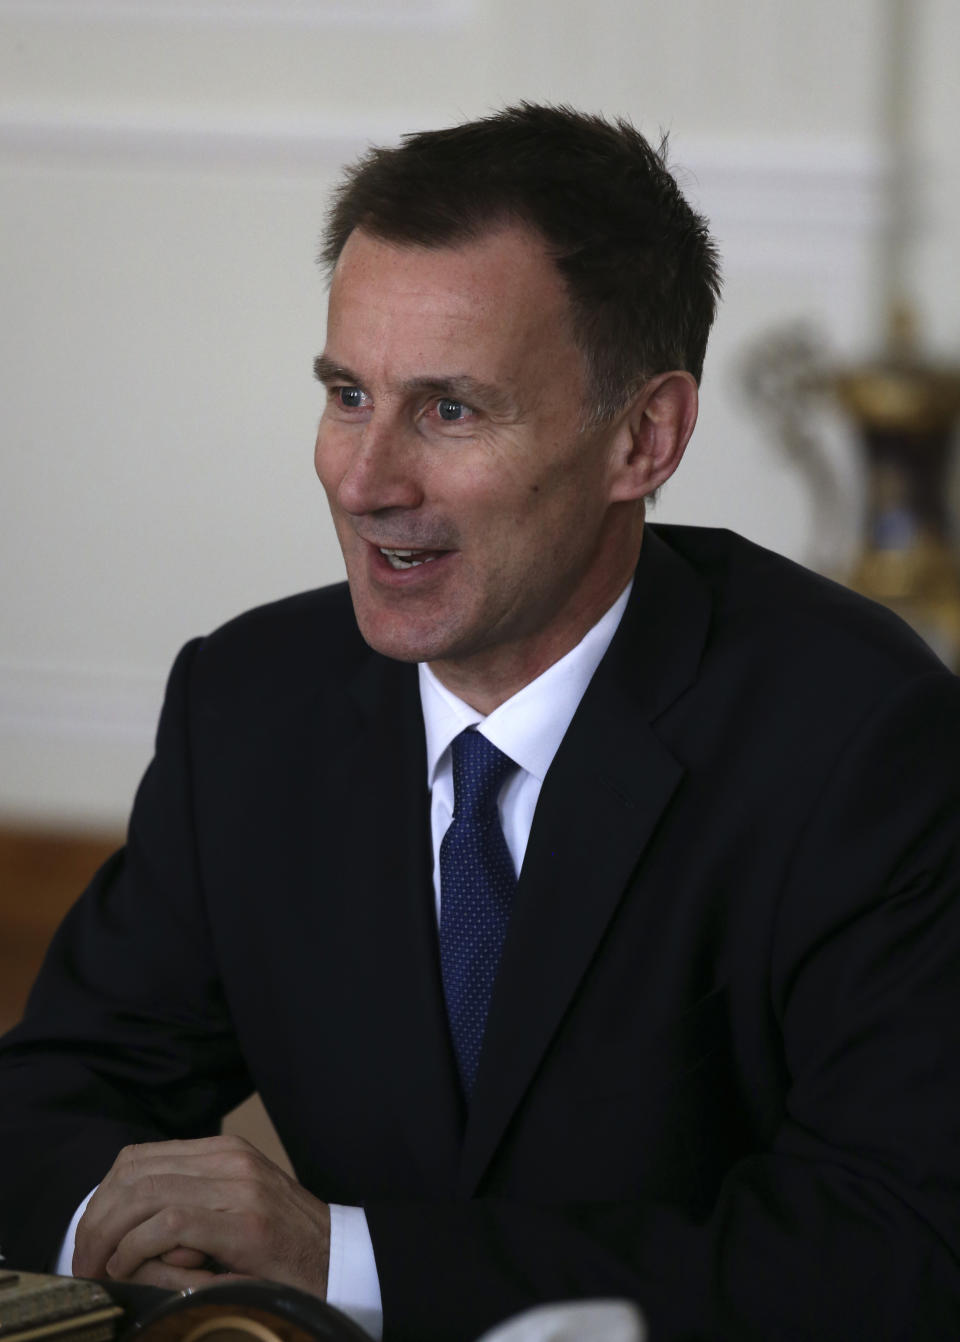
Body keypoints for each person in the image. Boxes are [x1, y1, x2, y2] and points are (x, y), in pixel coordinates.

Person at [2, 103, 960, 1342]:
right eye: (350, 393)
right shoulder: (249, 703)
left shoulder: (862, 739)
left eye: (449, 410)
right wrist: (122, 1220)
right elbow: (44, 1099)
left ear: (643, 436)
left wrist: (341, 1257)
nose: (364, 478)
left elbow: (894, 1249)